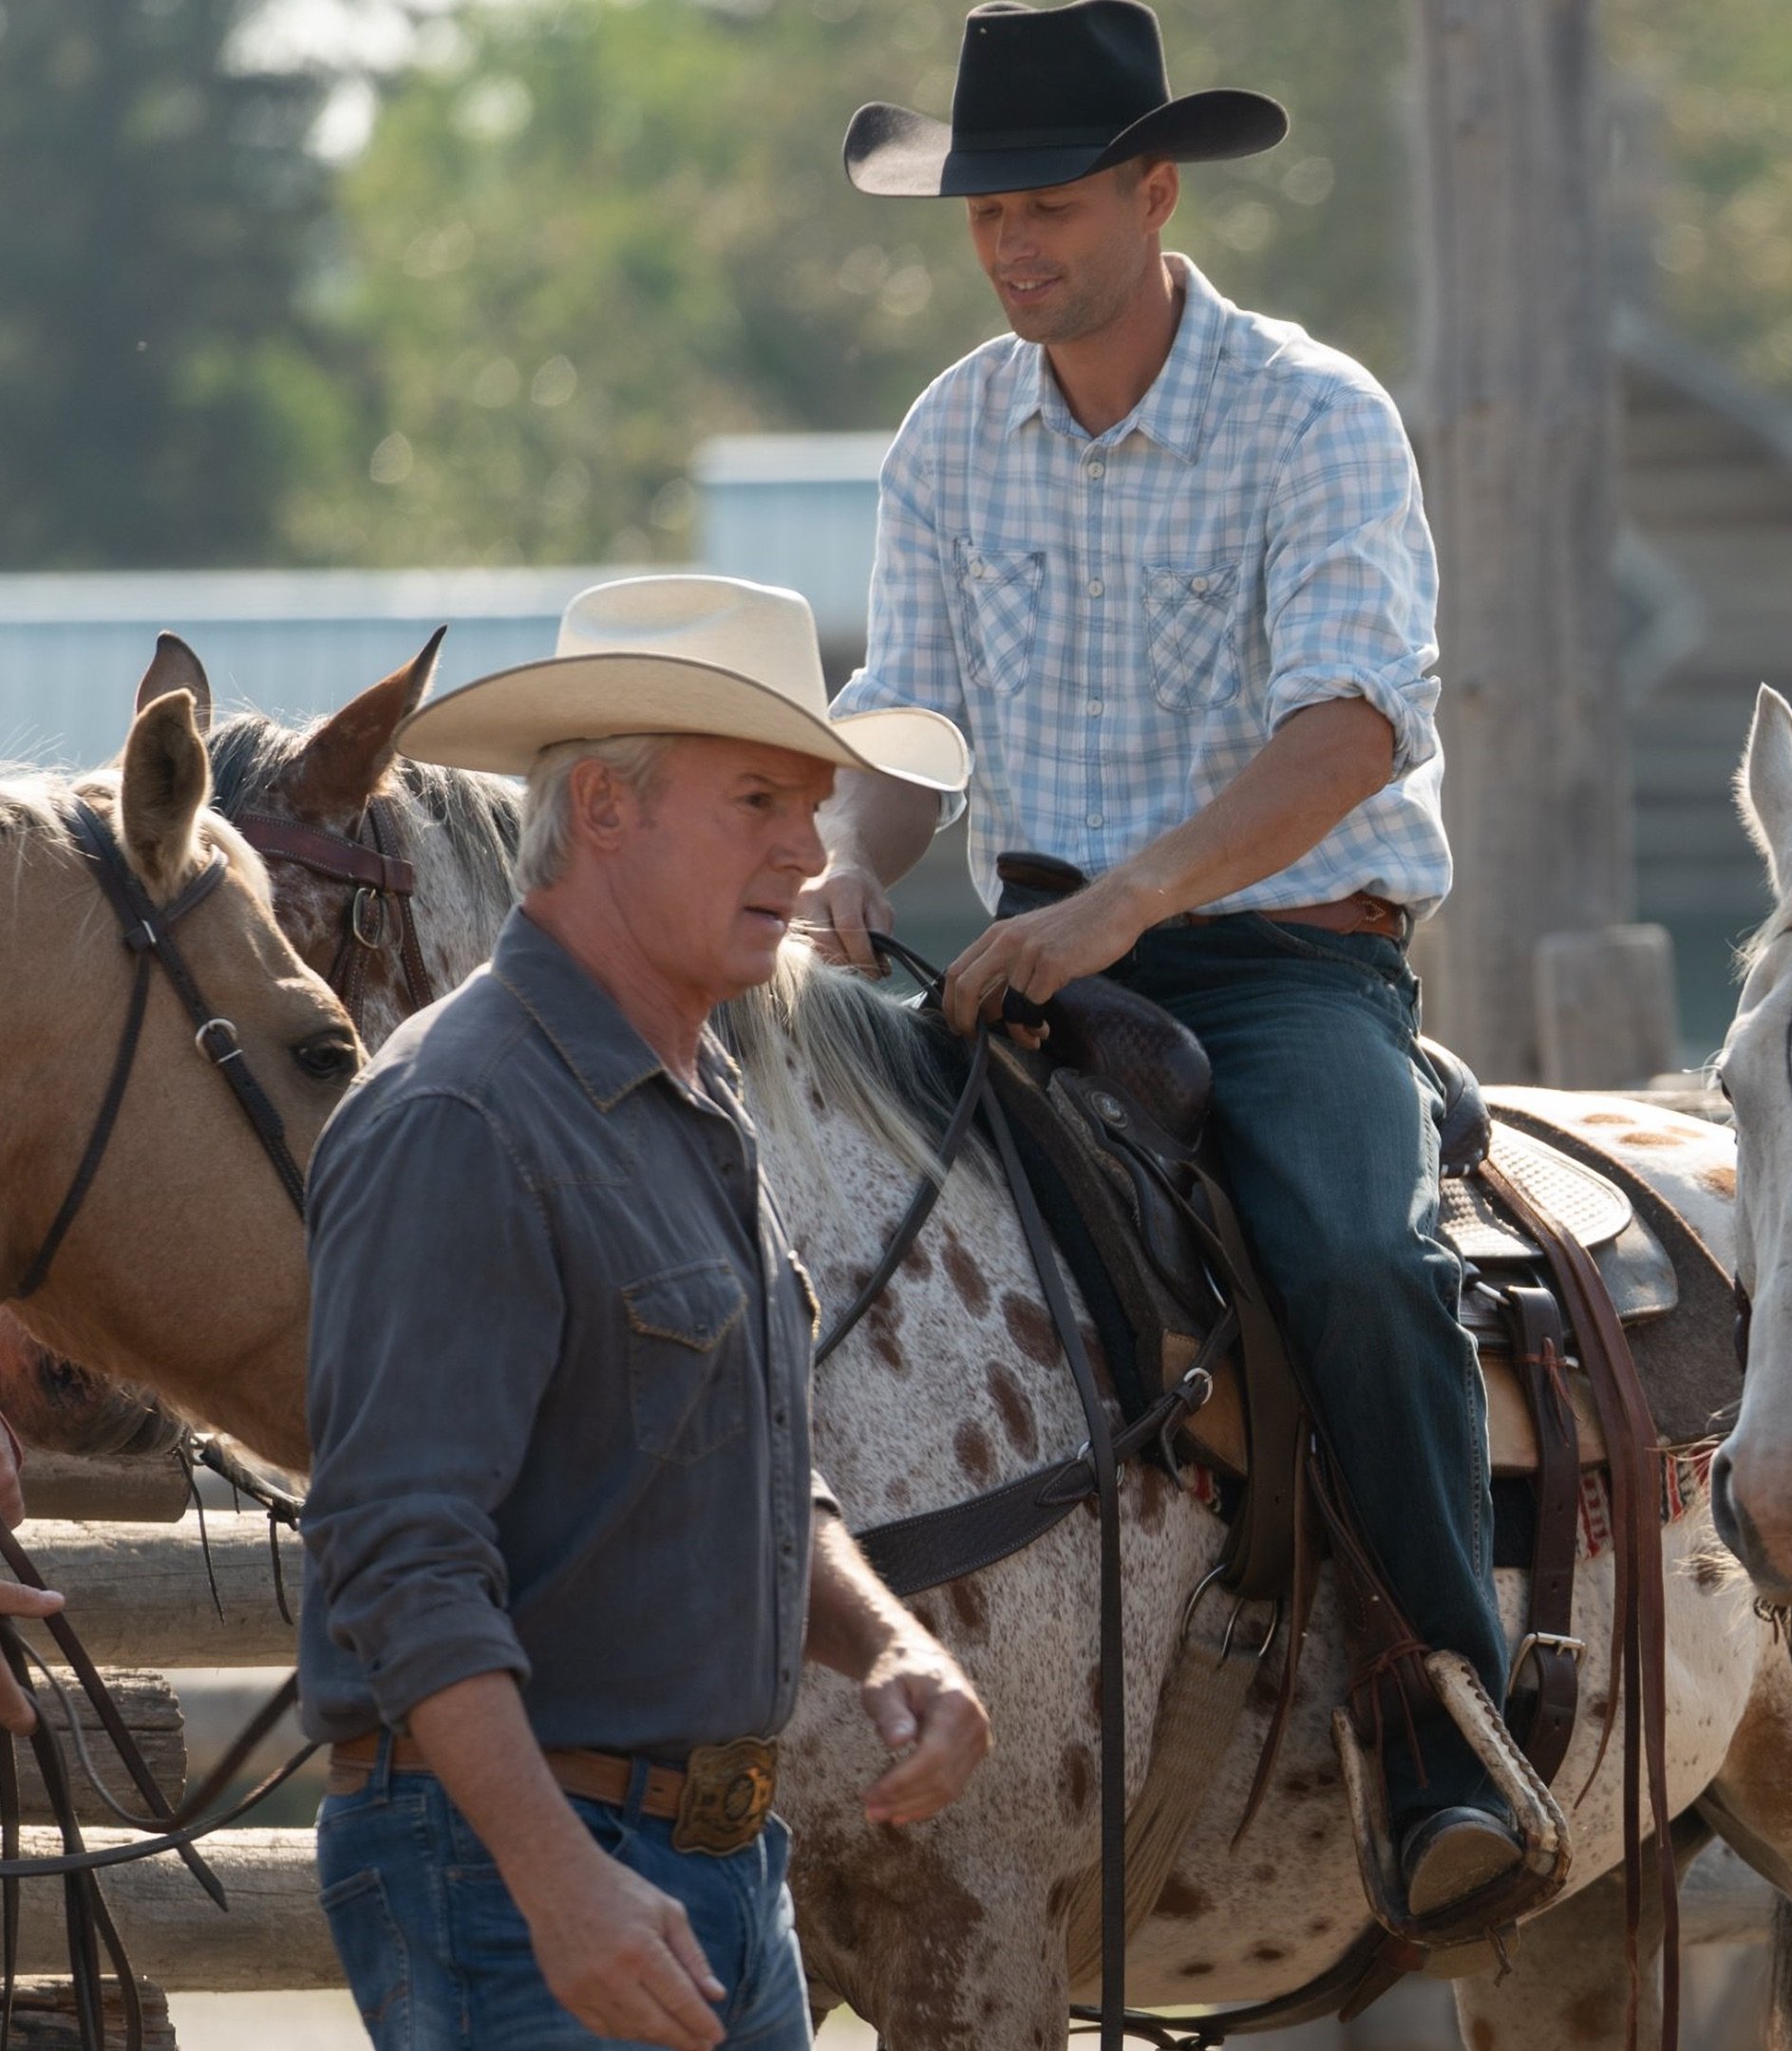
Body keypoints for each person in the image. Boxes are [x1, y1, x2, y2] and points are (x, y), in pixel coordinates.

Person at [801, 0, 1522, 1912]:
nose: (1014, 244)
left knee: (1362, 1261)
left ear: (1154, 189)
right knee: (821, 1231)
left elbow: (1354, 723)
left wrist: (1128, 901)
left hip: (1285, 964)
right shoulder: (952, 432)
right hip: (1030, 964)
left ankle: (1456, 1724)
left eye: (1046, 205)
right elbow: (910, 714)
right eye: (983, 218)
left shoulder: (1313, 411)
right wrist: (835, 866)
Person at [299, 575, 995, 2051]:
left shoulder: (695, 1094)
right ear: (603, 811)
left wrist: (886, 1646)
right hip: (529, 1873)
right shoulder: (461, 1116)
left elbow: (740, 1468)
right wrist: (559, 1884)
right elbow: (398, 1556)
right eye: (757, 800)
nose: (807, 851)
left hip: (706, 1867)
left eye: (811, 810)